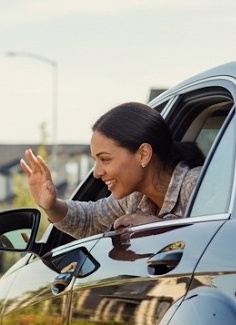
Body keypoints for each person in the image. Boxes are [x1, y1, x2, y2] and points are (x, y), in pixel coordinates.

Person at [20, 101, 206, 240]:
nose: (97, 172)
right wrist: (51, 205)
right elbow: (90, 220)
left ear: (143, 154)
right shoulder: (133, 199)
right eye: (95, 160)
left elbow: (219, 242)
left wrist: (158, 228)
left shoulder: (199, 185)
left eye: (105, 159)